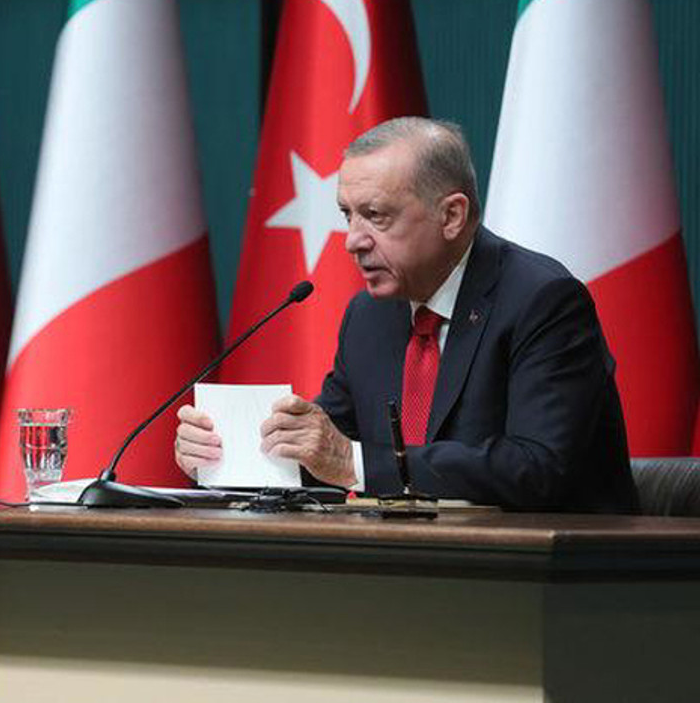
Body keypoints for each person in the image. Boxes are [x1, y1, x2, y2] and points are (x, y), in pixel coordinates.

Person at [176, 118, 638, 513]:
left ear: (451, 216)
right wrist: (227, 456)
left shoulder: (541, 300)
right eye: (347, 215)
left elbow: (537, 468)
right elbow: (326, 449)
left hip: (556, 575)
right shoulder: (369, 316)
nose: (352, 240)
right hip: (413, 569)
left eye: (376, 215)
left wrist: (353, 462)